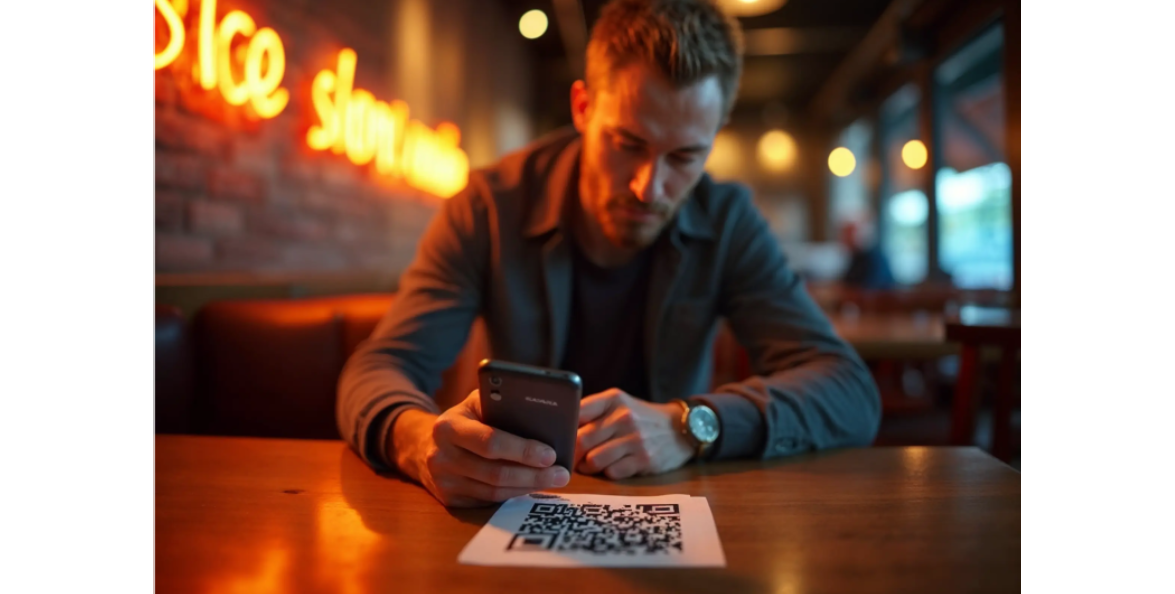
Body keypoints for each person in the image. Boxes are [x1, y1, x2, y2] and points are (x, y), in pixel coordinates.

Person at [337, 0, 880, 508]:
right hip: (512, 504)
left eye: (685, 156)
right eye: (629, 144)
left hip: (665, 508)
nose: (652, 187)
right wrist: (419, 443)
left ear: (712, 140)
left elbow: (849, 389)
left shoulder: (727, 220)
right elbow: (380, 365)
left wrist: (692, 423)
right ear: (582, 107)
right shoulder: (489, 205)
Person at [839, 217, 896, 290]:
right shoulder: (856, 257)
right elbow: (846, 283)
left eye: (848, 234)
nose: (843, 239)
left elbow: (869, 291)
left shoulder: (876, 258)